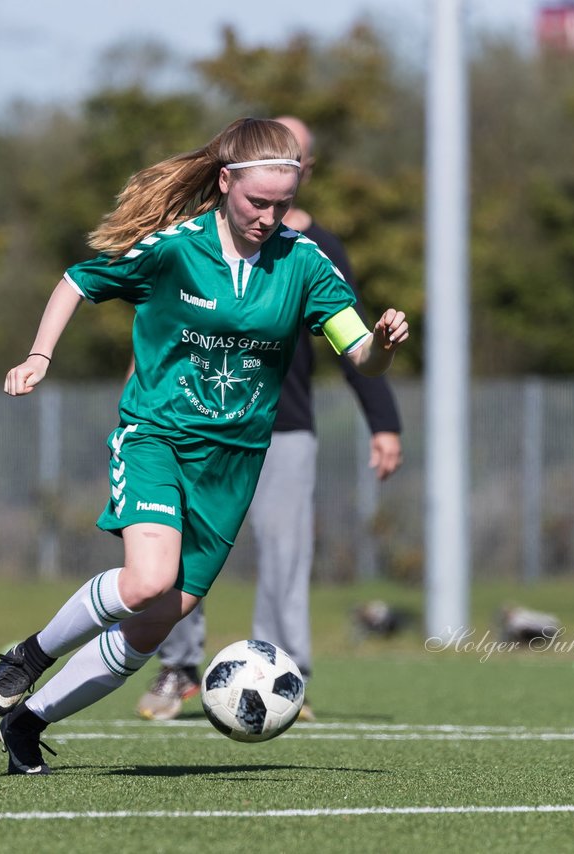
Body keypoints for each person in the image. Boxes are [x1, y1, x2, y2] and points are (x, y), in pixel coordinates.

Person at [0, 117, 409, 775]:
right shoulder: (175, 249)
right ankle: (29, 656)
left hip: (232, 467)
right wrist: (40, 355)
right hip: (156, 437)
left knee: (153, 626)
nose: (268, 216)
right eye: (255, 202)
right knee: (147, 579)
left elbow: (360, 355)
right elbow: (77, 281)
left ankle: (28, 724)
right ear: (224, 182)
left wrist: (380, 343)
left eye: (280, 203)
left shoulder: (306, 264)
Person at [134, 115, 403, 723]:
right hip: (191, 425)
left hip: (285, 426)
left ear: (303, 171)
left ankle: (283, 674)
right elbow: (160, 326)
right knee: (178, 551)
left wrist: (384, 423)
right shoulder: (193, 239)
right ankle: (177, 669)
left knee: (286, 553)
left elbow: (357, 342)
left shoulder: (316, 251)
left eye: (296, 161)